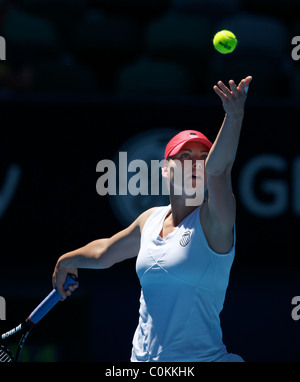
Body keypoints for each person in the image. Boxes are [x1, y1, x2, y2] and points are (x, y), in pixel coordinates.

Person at [52, 75, 253, 362]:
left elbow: (219, 171)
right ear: (164, 169)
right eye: (184, 155)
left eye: (202, 156)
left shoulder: (214, 218)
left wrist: (234, 116)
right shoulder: (150, 220)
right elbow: (106, 251)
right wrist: (66, 260)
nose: (195, 162)